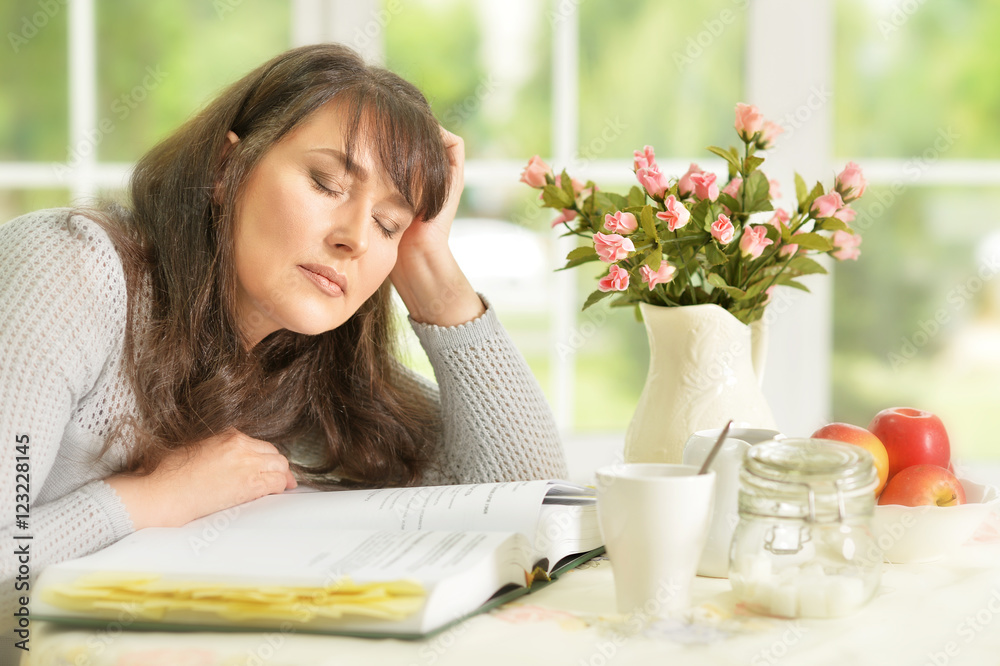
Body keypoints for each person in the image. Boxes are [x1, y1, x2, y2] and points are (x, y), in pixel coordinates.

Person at [0, 43, 566, 656]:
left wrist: (430, 264)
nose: (354, 237)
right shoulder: (69, 270)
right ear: (226, 169)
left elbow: (527, 495)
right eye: (327, 183)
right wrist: (155, 499)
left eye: (388, 226)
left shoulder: (303, 364)